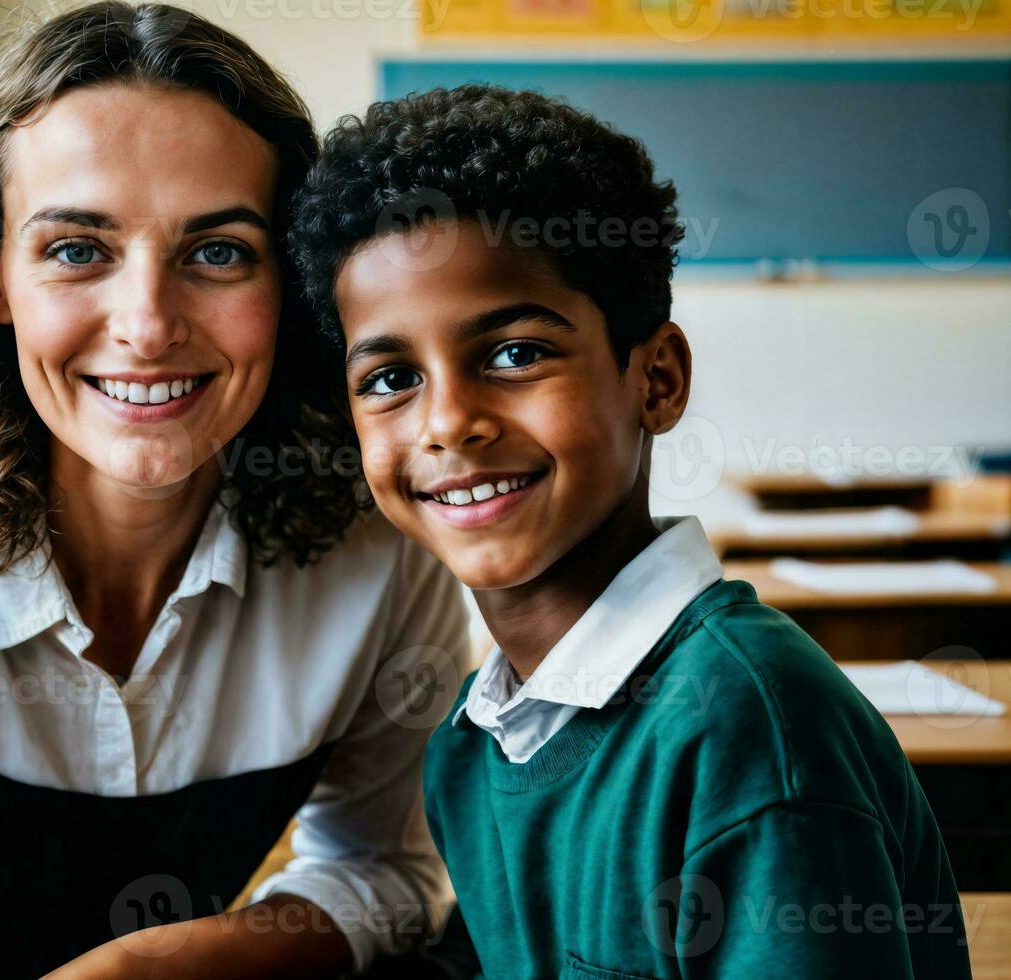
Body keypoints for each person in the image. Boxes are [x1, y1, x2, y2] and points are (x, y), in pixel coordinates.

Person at [0, 5, 470, 978]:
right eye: (76, 248)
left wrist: (147, 966)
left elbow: (386, 872)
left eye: (217, 251)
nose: (147, 324)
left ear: (291, 283)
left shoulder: (378, 540)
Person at [286, 84, 972, 978]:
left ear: (656, 381)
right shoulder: (472, 740)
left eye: (516, 354)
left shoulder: (744, 732)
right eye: (388, 377)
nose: (447, 423)